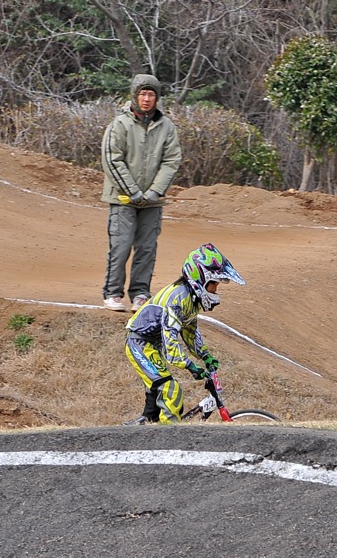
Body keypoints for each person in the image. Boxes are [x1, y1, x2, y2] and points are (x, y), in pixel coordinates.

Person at [123, 243, 246, 425]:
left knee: (158, 408)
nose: (215, 291)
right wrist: (190, 366)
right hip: (140, 343)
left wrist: (205, 355)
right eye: (214, 285)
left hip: (152, 345)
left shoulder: (190, 299)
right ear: (201, 279)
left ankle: (151, 426)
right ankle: (166, 443)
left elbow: (190, 332)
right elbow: (170, 339)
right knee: (171, 391)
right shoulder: (177, 299)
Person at [101, 73, 182, 312]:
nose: (146, 99)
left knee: (147, 248)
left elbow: (171, 160)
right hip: (122, 199)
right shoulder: (119, 124)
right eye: (143, 94)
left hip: (152, 202)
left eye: (151, 94)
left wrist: (155, 191)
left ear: (157, 98)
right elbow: (111, 159)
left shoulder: (166, 126)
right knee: (121, 245)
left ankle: (140, 294)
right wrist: (133, 191)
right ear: (135, 96)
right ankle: (112, 293)